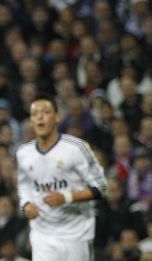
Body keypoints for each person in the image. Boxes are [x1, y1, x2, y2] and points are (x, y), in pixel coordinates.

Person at [16, 96, 108, 260]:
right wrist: (26, 204)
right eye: (35, 113)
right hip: (42, 233)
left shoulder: (76, 148)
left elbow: (102, 186)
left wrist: (66, 197)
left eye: (46, 112)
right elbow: (24, 186)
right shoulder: (23, 153)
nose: (40, 117)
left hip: (76, 233)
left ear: (57, 117)